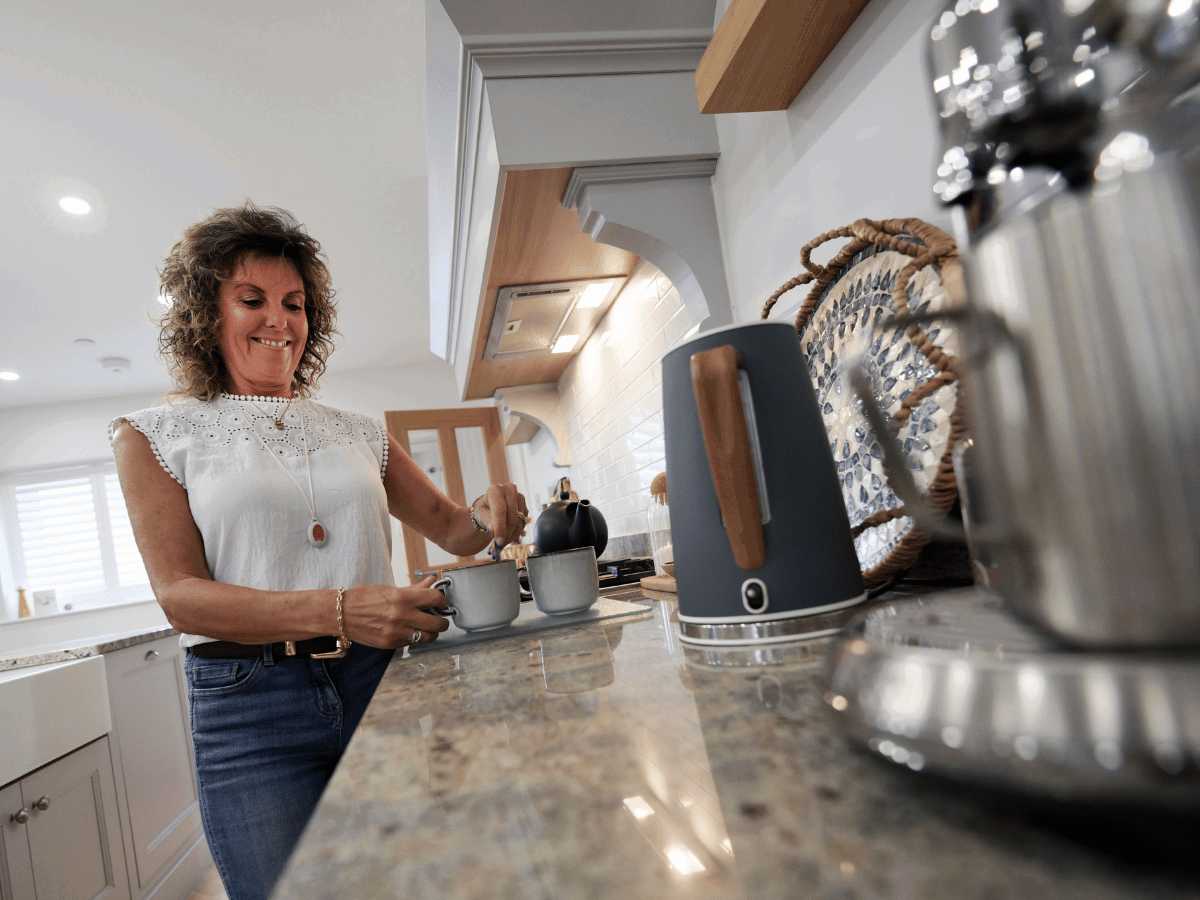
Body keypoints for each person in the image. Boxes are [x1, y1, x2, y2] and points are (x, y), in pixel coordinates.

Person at [110, 202, 529, 900]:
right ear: (205, 316)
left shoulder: (358, 431)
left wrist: (490, 510)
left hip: (377, 681)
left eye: (295, 303)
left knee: (409, 883)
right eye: (252, 299)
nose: (279, 319)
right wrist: (339, 608)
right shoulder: (153, 435)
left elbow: (455, 530)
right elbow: (179, 595)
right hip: (248, 707)